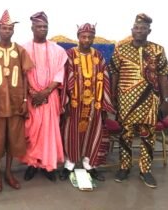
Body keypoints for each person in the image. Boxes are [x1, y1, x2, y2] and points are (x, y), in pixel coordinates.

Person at [109, 13, 168, 188]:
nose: (139, 31)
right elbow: (114, 73)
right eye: (136, 28)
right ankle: (124, 168)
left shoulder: (158, 50)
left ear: (149, 31)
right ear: (132, 30)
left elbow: (163, 75)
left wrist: (165, 99)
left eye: (143, 28)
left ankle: (145, 170)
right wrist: (112, 97)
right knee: (125, 135)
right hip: (126, 100)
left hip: (150, 100)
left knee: (148, 136)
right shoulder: (121, 49)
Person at [0, 10, 34, 192]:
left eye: (10, 29)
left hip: (15, 105)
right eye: (4, 28)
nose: (7, 31)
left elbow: (25, 76)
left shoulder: (20, 51)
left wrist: (25, 100)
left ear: (13, 31)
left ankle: (8, 172)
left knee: (13, 139)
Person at [59, 23, 115, 182]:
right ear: (78, 37)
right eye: (84, 36)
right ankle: (68, 165)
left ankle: (90, 166)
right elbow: (63, 79)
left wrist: (105, 104)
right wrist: (66, 102)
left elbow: (105, 79)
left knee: (92, 135)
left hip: (94, 105)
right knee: (71, 135)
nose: (87, 40)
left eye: (90, 37)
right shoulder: (69, 55)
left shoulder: (98, 56)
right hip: (75, 105)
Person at [21, 11, 67, 181]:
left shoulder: (58, 50)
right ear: (32, 28)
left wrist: (45, 92)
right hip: (32, 97)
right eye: (39, 26)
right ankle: (32, 164)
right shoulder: (23, 49)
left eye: (45, 27)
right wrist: (33, 93)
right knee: (32, 131)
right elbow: (22, 75)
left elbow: (60, 74)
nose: (42, 29)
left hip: (50, 96)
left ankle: (48, 165)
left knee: (49, 132)